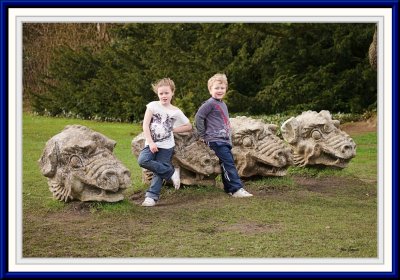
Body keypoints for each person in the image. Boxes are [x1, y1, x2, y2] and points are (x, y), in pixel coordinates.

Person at [195, 73, 253, 198]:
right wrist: (202, 134)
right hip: (215, 140)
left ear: (226, 89)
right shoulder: (209, 103)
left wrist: (229, 140)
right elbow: (199, 117)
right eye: (216, 88)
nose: (219, 90)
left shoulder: (223, 104)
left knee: (227, 163)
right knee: (228, 163)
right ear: (210, 89)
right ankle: (236, 189)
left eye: (222, 88)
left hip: (224, 140)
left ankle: (229, 188)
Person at [138, 78, 192, 207]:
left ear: (172, 93)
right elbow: (145, 125)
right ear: (158, 94)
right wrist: (150, 143)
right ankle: (171, 172)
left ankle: (151, 197)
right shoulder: (152, 106)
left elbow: (188, 126)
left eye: (166, 93)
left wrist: (173, 129)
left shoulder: (176, 111)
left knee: (158, 172)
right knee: (143, 160)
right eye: (161, 93)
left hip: (167, 146)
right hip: (151, 143)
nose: (164, 96)